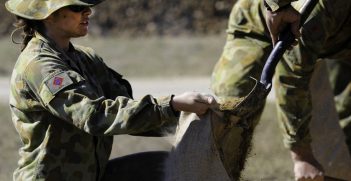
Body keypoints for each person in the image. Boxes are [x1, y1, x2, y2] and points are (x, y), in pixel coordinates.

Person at [5, 0, 217, 180]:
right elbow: (95, 116)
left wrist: (194, 117)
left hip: (91, 175)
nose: (88, 12)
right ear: (48, 16)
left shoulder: (85, 59)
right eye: (78, 8)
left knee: (169, 165)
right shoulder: (39, 66)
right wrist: (170, 104)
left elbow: (128, 113)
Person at [211, 0, 350, 180]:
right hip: (260, 27)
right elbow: (292, 79)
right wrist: (302, 157)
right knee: (230, 118)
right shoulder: (316, 11)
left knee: (336, 150)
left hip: (326, 44)